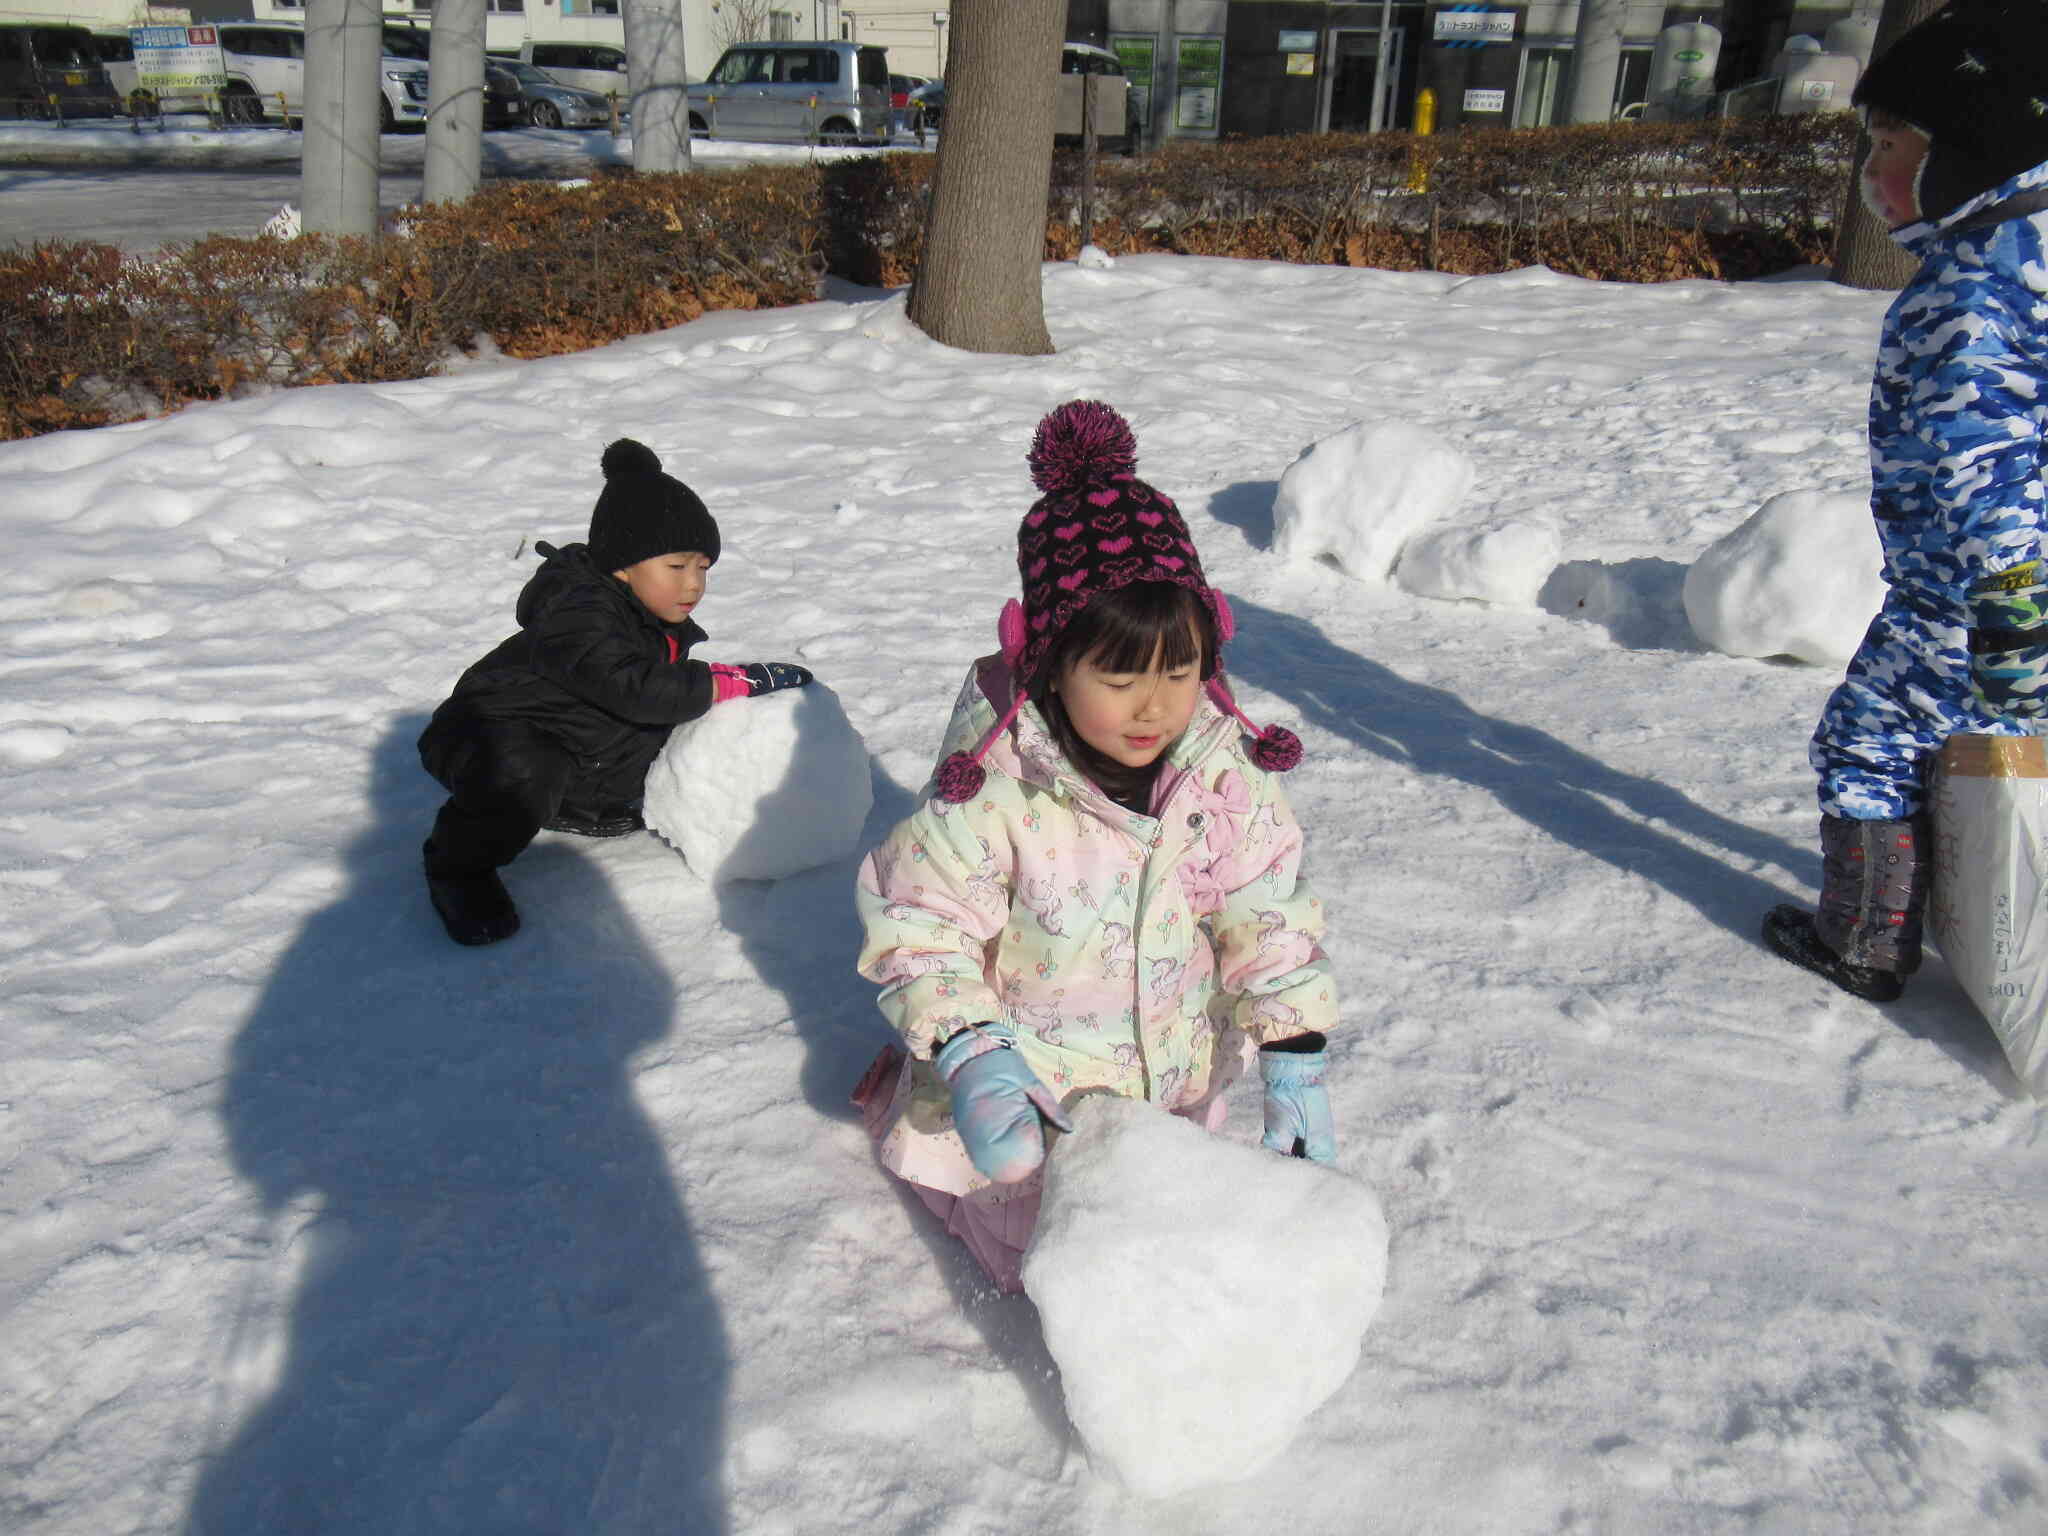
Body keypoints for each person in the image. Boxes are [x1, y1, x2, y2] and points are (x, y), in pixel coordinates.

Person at [850, 400, 1339, 1293]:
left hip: (1173, 1082)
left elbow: (1265, 909)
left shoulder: (1223, 776)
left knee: (1165, 1237)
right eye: (1118, 678)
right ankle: (916, 1107)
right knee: (1045, 1268)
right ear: (1047, 664)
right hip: (1033, 1099)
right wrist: (973, 1055)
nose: (1154, 706)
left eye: (1180, 671)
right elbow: (921, 924)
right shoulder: (995, 791)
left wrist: (1295, 1055)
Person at [1765, 1, 2048, 1002]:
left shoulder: (1964, 302)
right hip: (2002, 594)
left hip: (1971, 599)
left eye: (1889, 143)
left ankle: (1865, 938)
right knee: (1989, 751)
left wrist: (2013, 603)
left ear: (1973, 154)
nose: (1868, 173)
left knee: (1869, 742)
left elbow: (1987, 472)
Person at [418, 438, 812, 946]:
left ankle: (577, 804)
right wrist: (726, 682)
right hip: (484, 737)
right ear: (623, 565)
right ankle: (458, 870)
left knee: (663, 731)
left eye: (703, 568)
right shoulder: (580, 614)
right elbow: (628, 688)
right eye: (676, 567)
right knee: (526, 774)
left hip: (568, 739)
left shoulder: (651, 620)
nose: (693, 583)